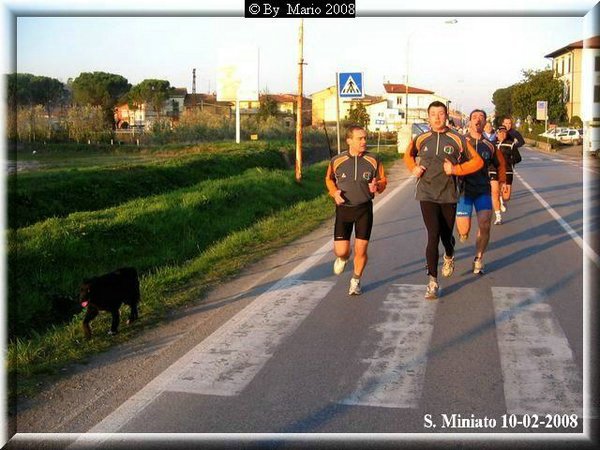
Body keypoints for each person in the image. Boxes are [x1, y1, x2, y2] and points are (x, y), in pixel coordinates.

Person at [404, 101, 484, 299]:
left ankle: (449, 254)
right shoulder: (421, 138)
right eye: (433, 114)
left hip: (448, 194)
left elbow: (477, 161)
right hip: (426, 193)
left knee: (446, 236)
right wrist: (414, 168)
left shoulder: (457, 139)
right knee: (433, 234)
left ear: (446, 116)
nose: (437, 117)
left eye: (441, 114)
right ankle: (432, 281)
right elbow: (408, 155)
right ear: (428, 117)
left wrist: (456, 169)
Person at [325, 125, 387, 296]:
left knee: (361, 249)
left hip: (364, 209)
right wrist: (334, 193)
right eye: (360, 138)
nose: (364, 141)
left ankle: (356, 280)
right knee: (341, 250)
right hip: (344, 209)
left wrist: (377, 186)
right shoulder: (337, 160)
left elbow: (383, 180)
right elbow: (329, 179)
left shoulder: (373, 159)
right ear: (349, 141)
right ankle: (344, 257)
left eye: (365, 138)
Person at [456, 110, 507, 274]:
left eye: (481, 117)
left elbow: (500, 164)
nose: (478, 120)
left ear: (485, 122)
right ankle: (463, 234)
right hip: (464, 191)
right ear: (469, 122)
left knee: (485, 224)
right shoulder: (460, 142)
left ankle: (478, 258)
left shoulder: (489, 145)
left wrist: (503, 182)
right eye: (474, 117)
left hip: (482, 190)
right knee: (463, 230)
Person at [490, 126, 515, 225]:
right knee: (494, 192)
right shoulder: (492, 144)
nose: (502, 134)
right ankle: (498, 217)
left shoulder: (510, 144)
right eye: (500, 132)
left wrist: (509, 161)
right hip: (493, 170)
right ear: (497, 134)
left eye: (504, 133)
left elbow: (517, 158)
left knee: (506, 197)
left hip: (506, 171)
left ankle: (502, 199)